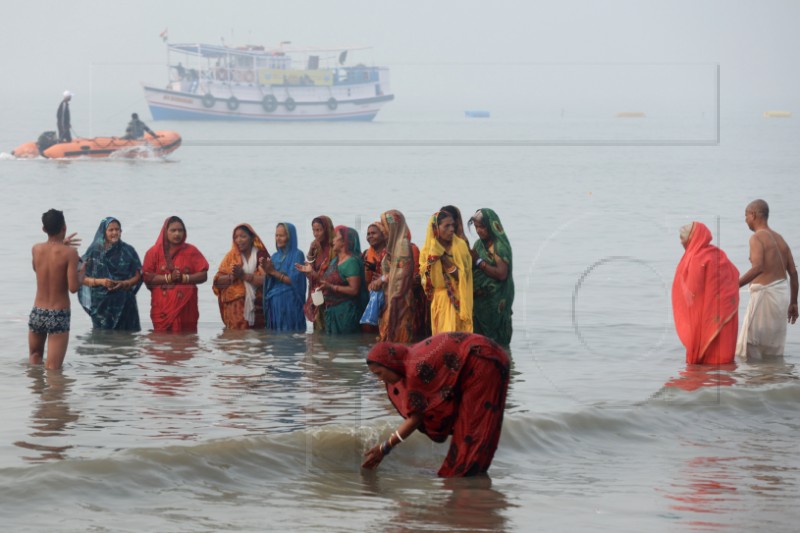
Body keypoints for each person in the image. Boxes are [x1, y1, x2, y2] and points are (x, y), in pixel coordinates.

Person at [362, 332, 510, 477]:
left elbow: (415, 419)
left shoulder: (415, 369)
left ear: (390, 364)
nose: (379, 380)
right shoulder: (408, 359)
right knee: (469, 424)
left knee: (472, 425)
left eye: (379, 373)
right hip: (485, 355)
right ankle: (467, 472)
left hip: (483, 359)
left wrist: (384, 448)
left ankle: (463, 476)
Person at [736, 199, 798, 358]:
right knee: (772, 352)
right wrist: (793, 302)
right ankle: (773, 381)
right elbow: (793, 273)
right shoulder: (781, 239)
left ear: (753, 215)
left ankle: (755, 382)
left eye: (745, 216)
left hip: (764, 298)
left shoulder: (756, 238)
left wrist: (734, 285)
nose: (745, 220)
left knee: (750, 349)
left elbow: (758, 267)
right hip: (781, 298)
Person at [672, 222, 739, 364]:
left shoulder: (696, 259)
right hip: (724, 315)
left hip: (706, 317)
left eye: (682, 238)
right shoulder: (717, 254)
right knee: (722, 362)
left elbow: (693, 292)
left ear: (691, 238)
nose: (680, 242)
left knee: (703, 361)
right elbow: (734, 276)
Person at [28, 209, 82, 369]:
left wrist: (60, 245)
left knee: (35, 356)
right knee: (53, 369)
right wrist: (81, 275)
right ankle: (54, 394)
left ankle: (35, 391)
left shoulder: (36, 249)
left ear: (44, 229)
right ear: (64, 227)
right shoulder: (70, 253)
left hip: (38, 311)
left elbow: (37, 269)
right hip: (58, 313)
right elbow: (73, 288)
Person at [142, 216, 209, 332]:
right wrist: (169, 278)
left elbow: (203, 275)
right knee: (161, 343)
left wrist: (184, 278)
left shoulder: (191, 251)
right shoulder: (153, 252)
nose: (177, 234)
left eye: (180, 230)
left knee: (186, 342)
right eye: (173, 230)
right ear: (165, 231)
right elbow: (147, 277)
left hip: (186, 306)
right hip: (162, 307)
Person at [78, 217, 143, 331]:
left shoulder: (128, 250)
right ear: (104, 232)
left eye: (117, 229)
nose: (114, 233)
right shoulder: (94, 252)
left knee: (128, 343)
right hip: (102, 309)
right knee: (102, 343)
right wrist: (101, 282)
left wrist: (124, 283)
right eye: (111, 230)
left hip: (126, 307)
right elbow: (81, 278)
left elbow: (139, 275)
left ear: (121, 231)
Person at [300, 226, 365, 334]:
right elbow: (327, 281)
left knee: (345, 347)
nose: (332, 240)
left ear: (344, 241)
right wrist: (311, 272)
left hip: (346, 312)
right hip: (331, 310)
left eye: (335, 237)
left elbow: (354, 290)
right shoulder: (335, 260)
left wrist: (332, 287)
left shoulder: (351, 262)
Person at [420, 211, 473, 334]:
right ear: (435, 228)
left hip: (457, 299)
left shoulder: (460, 247)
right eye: (447, 226)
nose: (451, 229)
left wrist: (442, 257)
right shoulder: (427, 250)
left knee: (455, 339)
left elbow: (463, 277)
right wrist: (433, 256)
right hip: (438, 301)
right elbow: (425, 278)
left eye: (453, 225)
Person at [469, 208, 514, 346]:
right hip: (480, 303)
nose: (478, 231)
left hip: (495, 303)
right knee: (479, 343)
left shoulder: (499, 246)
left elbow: (501, 274)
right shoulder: (479, 245)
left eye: (482, 227)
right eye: (476, 227)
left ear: (492, 226)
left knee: (496, 344)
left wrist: (479, 262)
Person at [212, 224, 269, 329]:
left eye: (243, 236)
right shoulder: (230, 257)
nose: (239, 240)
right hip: (234, 311)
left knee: (258, 340)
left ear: (252, 238)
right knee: (235, 341)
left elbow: (267, 281)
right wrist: (232, 277)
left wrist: (243, 275)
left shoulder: (260, 256)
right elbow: (217, 282)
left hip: (258, 309)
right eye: (236, 237)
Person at [373, 210, 417, 343]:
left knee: (398, 340)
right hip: (390, 299)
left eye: (384, 224)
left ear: (392, 226)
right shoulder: (392, 246)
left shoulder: (402, 245)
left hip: (399, 301)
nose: (382, 228)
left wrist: (383, 280)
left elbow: (402, 277)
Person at [262, 222, 307, 331]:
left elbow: (294, 281)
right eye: (276, 235)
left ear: (290, 237)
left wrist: (273, 272)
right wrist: (266, 270)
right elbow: (270, 280)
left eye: (281, 236)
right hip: (274, 304)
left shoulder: (297, 254)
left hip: (290, 304)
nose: (278, 238)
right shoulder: (275, 256)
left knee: (291, 338)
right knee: (277, 341)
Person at [297, 215, 335, 331]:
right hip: (317, 296)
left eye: (319, 230)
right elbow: (311, 267)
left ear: (327, 230)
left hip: (330, 296)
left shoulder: (334, 249)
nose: (315, 234)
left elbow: (332, 275)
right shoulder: (316, 247)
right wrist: (310, 251)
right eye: (313, 230)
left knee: (329, 329)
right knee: (317, 332)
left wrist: (312, 273)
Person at [362, 221, 387, 334]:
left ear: (383, 234)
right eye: (368, 234)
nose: (370, 236)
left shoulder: (390, 253)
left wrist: (381, 275)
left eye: (374, 233)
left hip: (387, 296)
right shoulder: (366, 254)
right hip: (370, 296)